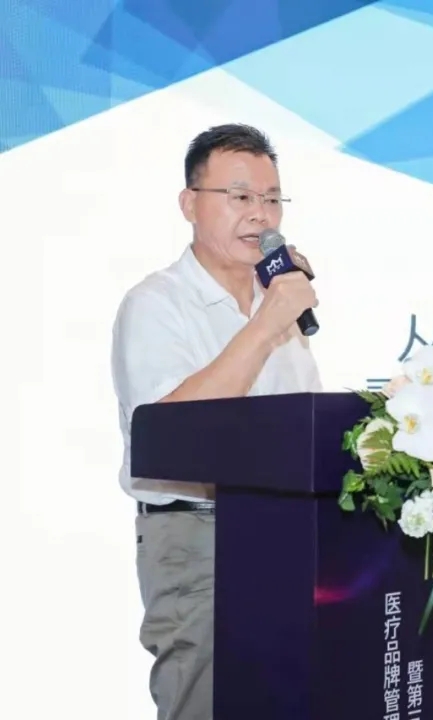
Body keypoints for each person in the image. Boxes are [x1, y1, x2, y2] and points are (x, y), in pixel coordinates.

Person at [110, 124, 322, 720]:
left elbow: (300, 428)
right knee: (206, 705)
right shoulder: (156, 304)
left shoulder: (277, 302)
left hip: (289, 535)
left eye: (272, 198)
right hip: (198, 538)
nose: (260, 214)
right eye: (240, 196)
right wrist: (267, 323)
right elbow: (173, 434)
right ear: (189, 203)